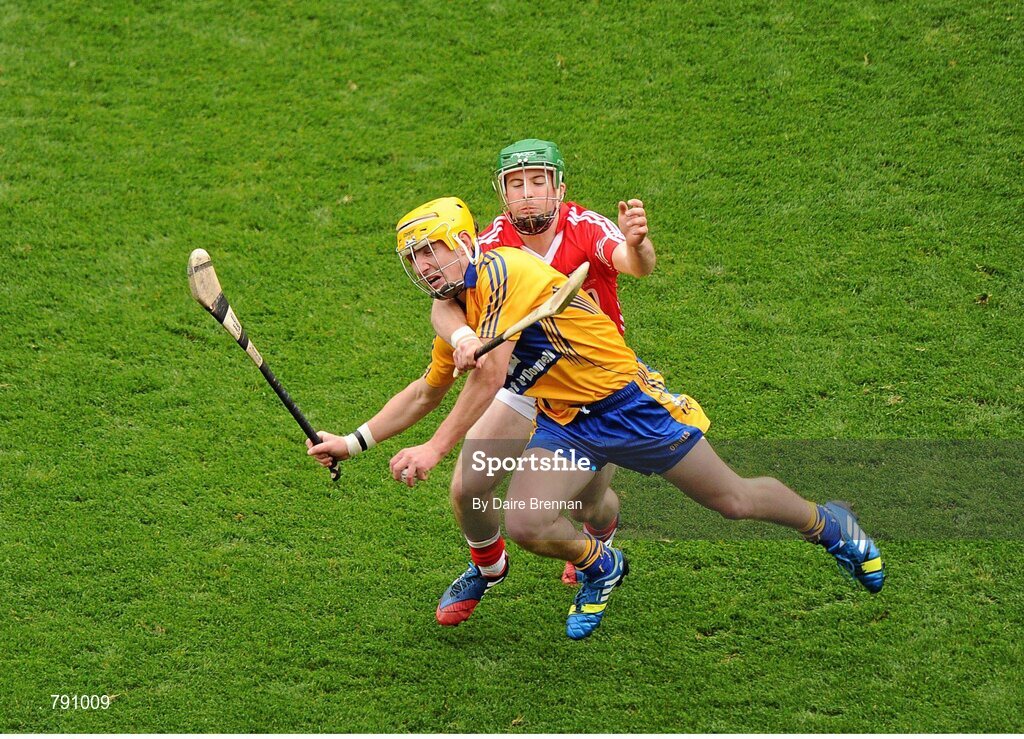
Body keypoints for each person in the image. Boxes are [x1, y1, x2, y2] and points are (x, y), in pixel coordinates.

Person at [308, 197, 886, 641]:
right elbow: (424, 391)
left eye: (435, 249)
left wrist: (432, 450)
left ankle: (827, 523)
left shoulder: (505, 272)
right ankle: (601, 564)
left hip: (628, 406)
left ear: (465, 242)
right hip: (567, 421)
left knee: (732, 500)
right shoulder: (463, 309)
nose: (428, 266)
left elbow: (488, 377)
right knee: (528, 525)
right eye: (416, 258)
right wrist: (354, 442)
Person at [427, 139, 655, 615]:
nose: (527, 193)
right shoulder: (488, 242)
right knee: (468, 488)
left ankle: (596, 541)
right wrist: (466, 336)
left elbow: (634, 265)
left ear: (558, 187)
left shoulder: (585, 227)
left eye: (537, 182)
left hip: (590, 389)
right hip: (526, 381)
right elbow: (444, 301)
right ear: (502, 194)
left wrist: (638, 244)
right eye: (516, 184)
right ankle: (489, 568)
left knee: (586, 506)